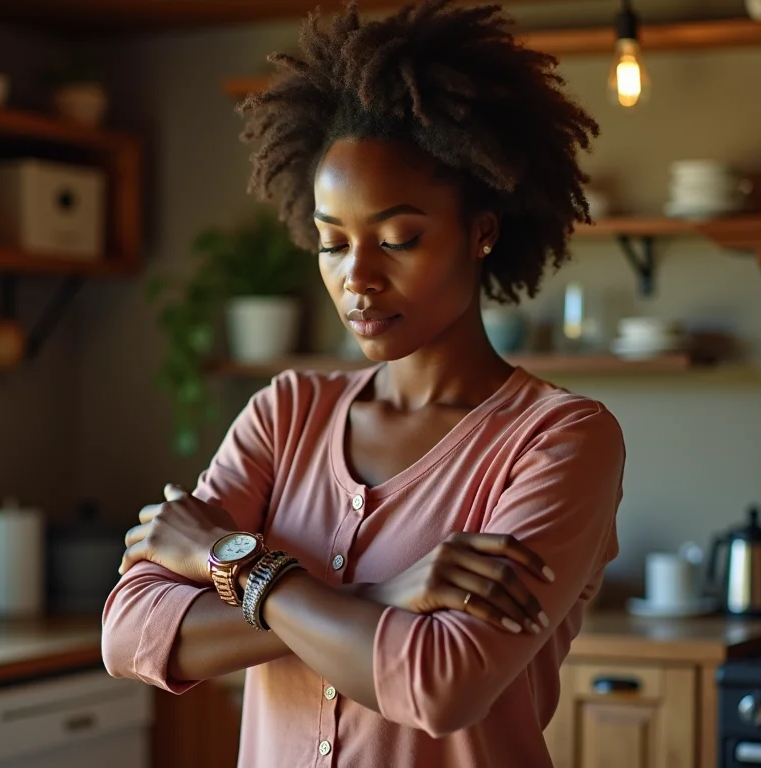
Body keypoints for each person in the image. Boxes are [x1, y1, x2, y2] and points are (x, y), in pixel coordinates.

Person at [101, 0, 624, 765]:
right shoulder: (286, 414)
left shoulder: (559, 439)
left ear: (482, 230)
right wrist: (381, 596)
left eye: (398, 239)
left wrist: (231, 559)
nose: (359, 279)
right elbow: (134, 631)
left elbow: (440, 683)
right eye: (332, 243)